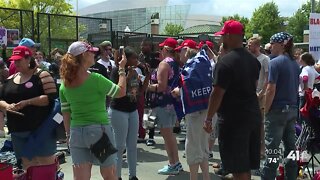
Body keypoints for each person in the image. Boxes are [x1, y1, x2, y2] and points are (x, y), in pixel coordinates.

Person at [59, 41, 127, 180]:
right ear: (84, 55)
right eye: (91, 52)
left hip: (76, 134)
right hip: (99, 132)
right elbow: (120, 92)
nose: (94, 54)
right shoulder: (96, 79)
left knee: (80, 178)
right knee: (109, 175)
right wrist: (121, 69)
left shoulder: (64, 85)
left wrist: (68, 135)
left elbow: (66, 114)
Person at [204, 20, 261, 180]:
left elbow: (217, 93)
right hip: (252, 115)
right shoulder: (253, 61)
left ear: (229, 36)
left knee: (238, 166)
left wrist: (208, 118)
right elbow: (253, 87)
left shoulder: (225, 63)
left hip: (234, 120)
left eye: (223, 36)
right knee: (245, 165)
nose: (221, 40)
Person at [0, 46, 57, 170]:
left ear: (28, 59)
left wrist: (28, 102)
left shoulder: (42, 75)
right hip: (17, 131)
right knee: (27, 165)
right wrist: (8, 106)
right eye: (14, 60)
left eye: (19, 60)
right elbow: (1, 100)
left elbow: (50, 98)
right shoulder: (10, 79)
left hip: (41, 130)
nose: (15, 63)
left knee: (45, 163)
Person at [172, 39, 213, 180]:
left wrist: (178, 91)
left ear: (186, 50)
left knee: (193, 149)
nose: (179, 54)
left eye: (180, 50)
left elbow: (189, 88)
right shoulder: (203, 61)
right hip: (206, 108)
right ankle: (206, 177)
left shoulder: (191, 66)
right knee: (202, 146)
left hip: (195, 112)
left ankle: (194, 178)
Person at [261, 32, 299, 180]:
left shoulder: (275, 62)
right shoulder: (294, 63)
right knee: (291, 149)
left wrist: (266, 110)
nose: (270, 47)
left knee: (272, 150)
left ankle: (269, 175)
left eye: (272, 43)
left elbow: (271, 89)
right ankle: (291, 176)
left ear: (281, 45)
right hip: (292, 110)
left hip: (277, 110)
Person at [109, 47, 149, 180]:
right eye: (134, 58)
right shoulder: (116, 71)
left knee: (132, 145)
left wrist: (147, 76)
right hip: (119, 111)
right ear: (125, 59)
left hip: (132, 110)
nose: (137, 60)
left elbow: (141, 90)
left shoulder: (135, 71)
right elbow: (116, 91)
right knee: (119, 146)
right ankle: (117, 176)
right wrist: (127, 77)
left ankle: (133, 175)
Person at [147, 38, 183, 175]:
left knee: (167, 136)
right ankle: (176, 163)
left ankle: (173, 164)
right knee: (170, 136)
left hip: (163, 103)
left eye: (162, 48)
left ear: (166, 50)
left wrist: (148, 87)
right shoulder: (176, 63)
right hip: (173, 102)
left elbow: (161, 86)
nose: (160, 51)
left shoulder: (164, 64)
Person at [247, 36, 270, 159]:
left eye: (250, 45)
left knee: (261, 123)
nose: (248, 46)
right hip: (250, 94)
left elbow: (267, 78)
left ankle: (262, 149)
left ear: (256, 46)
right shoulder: (249, 58)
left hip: (261, 96)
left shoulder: (265, 59)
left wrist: (261, 93)